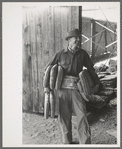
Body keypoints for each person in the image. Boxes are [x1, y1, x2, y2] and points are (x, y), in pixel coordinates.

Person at [45, 29, 100, 144]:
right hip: (62, 91)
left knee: (82, 116)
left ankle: (85, 143)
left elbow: (90, 69)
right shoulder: (60, 54)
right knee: (64, 118)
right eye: (76, 39)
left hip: (77, 90)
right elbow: (48, 70)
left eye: (79, 39)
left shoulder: (82, 54)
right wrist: (47, 86)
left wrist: (97, 83)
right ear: (69, 40)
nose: (78, 41)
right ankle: (67, 143)